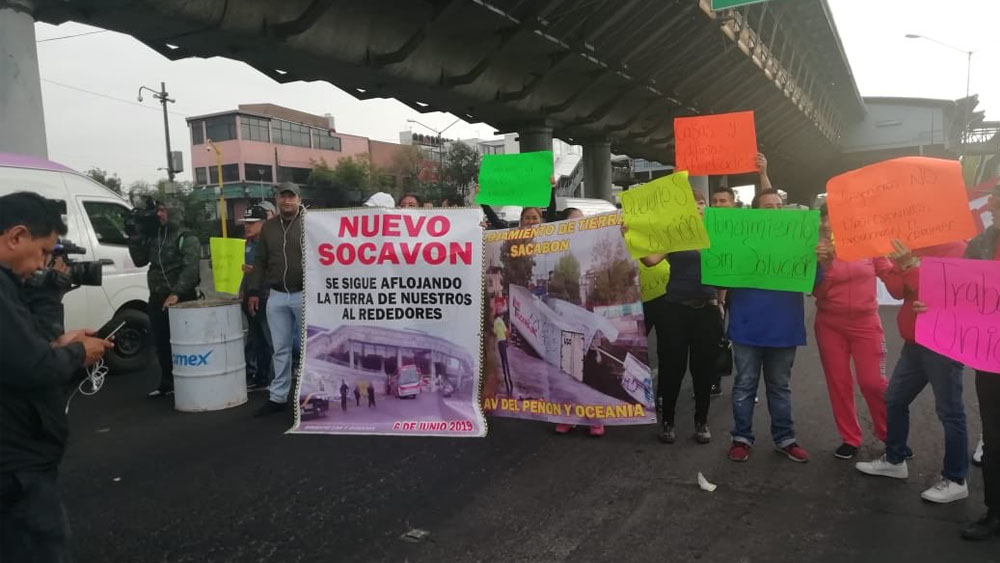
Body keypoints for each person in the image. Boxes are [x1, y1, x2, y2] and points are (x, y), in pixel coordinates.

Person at [1, 192, 114, 563]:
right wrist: (79, 352)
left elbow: (16, 352)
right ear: (16, 237)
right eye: (44, 252)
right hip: (15, 466)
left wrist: (55, 343)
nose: (43, 265)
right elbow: (33, 367)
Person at [854, 238, 969, 503]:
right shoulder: (911, 246)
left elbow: (938, 295)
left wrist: (909, 265)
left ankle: (955, 478)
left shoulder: (959, 248)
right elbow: (896, 291)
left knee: (950, 412)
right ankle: (895, 460)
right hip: (914, 341)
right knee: (894, 399)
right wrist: (894, 262)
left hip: (943, 342)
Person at [726, 189, 815, 464]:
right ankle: (741, 438)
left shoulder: (797, 243)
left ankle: (785, 439)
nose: (775, 211)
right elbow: (718, 280)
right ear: (755, 212)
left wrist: (822, 260)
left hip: (783, 327)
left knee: (780, 386)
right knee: (744, 385)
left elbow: (814, 283)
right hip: (746, 326)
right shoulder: (738, 241)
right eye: (767, 207)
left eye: (779, 206)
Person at [812, 204, 893, 459]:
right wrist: (825, 267)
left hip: (866, 323)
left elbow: (892, 278)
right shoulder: (817, 249)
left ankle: (890, 435)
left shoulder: (868, 243)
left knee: (874, 383)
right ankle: (850, 437)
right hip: (829, 324)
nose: (827, 224)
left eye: (833, 219)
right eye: (824, 219)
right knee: (839, 383)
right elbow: (817, 293)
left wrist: (911, 269)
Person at [640, 189, 720, 445]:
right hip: (674, 309)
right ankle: (668, 422)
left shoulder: (716, 234)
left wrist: (721, 301)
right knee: (672, 368)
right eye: (691, 204)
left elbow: (729, 269)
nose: (697, 208)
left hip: (707, 310)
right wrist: (631, 237)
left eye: (701, 203)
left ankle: (701, 421)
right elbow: (651, 260)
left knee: (704, 369)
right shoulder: (674, 234)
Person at [957, 183, 999, 539]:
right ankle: (995, 513)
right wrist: (934, 306)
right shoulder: (980, 245)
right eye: (997, 197)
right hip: (991, 358)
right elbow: (959, 293)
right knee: (995, 437)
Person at [127, 201, 201, 398]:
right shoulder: (155, 237)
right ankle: (167, 382)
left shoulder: (187, 238)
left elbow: (191, 271)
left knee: (184, 344)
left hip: (181, 300)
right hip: (157, 298)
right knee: (161, 343)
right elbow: (140, 260)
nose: (159, 214)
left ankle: (189, 382)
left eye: (163, 210)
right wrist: (134, 237)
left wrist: (176, 293)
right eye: (157, 210)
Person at [248, 183, 304, 417]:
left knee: (308, 348)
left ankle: (309, 395)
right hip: (276, 295)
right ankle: (278, 397)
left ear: (299, 199)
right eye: (283, 197)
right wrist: (253, 291)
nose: (287, 201)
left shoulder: (311, 223)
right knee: (280, 349)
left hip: (305, 294)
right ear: (277, 200)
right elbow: (260, 261)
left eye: (291, 197)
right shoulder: (269, 228)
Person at [241, 204, 275, 390]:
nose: (247, 226)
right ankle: (260, 377)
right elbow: (246, 273)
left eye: (252, 223)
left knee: (269, 340)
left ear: (263, 223)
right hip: (250, 296)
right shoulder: (248, 243)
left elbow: (275, 271)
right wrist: (242, 290)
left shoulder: (271, 243)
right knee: (256, 340)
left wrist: (254, 271)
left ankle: (273, 378)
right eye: (246, 222)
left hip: (266, 296)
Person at [494, 316, 513, 396]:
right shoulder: (501, 321)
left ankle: (506, 380)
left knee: (502, 362)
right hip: (503, 342)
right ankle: (509, 381)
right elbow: (506, 332)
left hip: (499, 343)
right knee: (506, 362)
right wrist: (508, 341)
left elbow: (495, 332)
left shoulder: (495, 322)